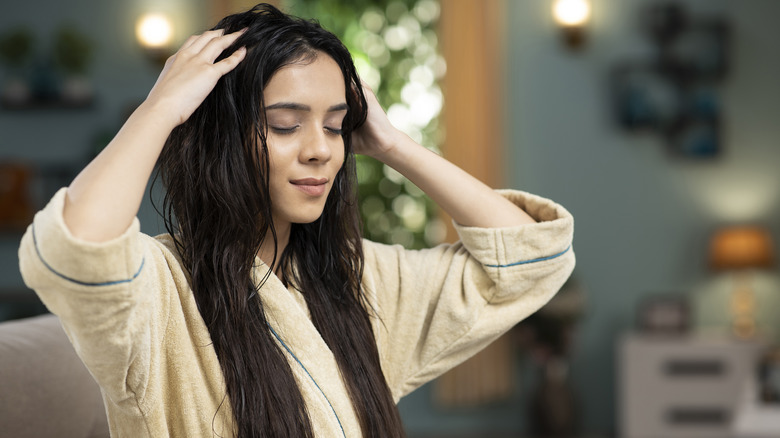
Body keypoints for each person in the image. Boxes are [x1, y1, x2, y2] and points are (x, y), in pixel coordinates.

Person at [18, 3, 574, 437]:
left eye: (335, 126)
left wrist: (393, 144)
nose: (322, 151)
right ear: (220, 138)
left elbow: (530, 257)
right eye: (286, 125)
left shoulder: (358, 283)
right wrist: (160, 109)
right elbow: (78, 251)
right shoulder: (159, 293)